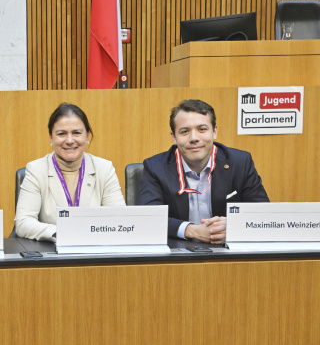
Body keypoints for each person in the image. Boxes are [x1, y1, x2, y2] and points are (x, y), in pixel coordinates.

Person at [138, 99, 269, 243]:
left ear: (214, 131)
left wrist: (234, 226)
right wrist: (192, 230)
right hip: (176, 254)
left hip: (228, 253)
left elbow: (262, 214)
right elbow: (148, 218)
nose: (194, 138)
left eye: (202, 129)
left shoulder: (240, 162)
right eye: (184, 131)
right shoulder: (156, 167)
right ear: (174, 137)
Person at [14, 103, 125, 241]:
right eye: (62, 134)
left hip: (95, 251)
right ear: (51, 137)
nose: (70, 140)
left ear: (87, 136)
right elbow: (23, 223)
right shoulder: (36, 170)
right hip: (53, 254)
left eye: (77, 133)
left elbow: (119, 219)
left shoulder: (104, 168)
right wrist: (61, 233)